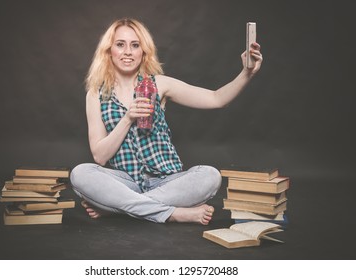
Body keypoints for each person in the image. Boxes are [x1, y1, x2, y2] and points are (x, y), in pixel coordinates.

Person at [70, 18, 263, 225]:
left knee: (210, 175)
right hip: (124, 183)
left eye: (135, 45)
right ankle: (173, 213)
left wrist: (246, 73)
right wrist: (128, 119)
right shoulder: (96, 94)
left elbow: (216, 99)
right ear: (109, 51)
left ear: (143, 52)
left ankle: (118, 209)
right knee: (80, 173)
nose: (128, 51)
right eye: (120, 44)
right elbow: (100, 156)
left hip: (167, 182)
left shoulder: (159, 84)